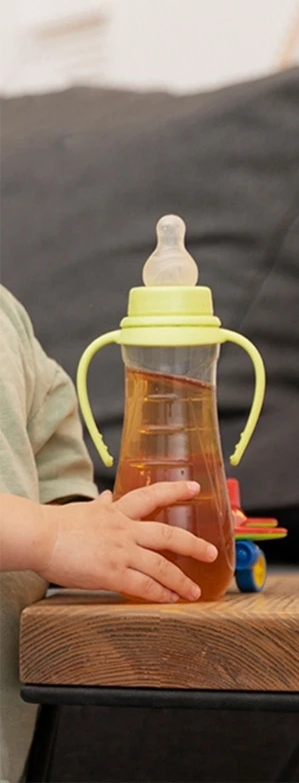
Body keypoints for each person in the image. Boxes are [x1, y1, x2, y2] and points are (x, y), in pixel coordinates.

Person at [0, 284, 219, 783]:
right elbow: (54, 529)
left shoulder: (7, 320)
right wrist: (50, 536)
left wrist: (92, 532)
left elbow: (55, 473)